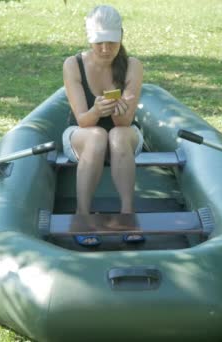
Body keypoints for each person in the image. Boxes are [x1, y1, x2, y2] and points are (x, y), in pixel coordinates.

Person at [62, 5, 144, 247]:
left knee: (118, 134)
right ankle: (82, 215)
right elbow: (82, 120)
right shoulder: (73, 64)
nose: (106, 48)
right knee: (97, 135)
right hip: (83, 134)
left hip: (124, 135)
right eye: (99, 42)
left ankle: (128, 215)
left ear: (121, 36)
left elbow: (126, 122)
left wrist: (118, 113)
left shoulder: (133, 65)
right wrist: (97, 111)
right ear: (89, 39)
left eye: (111, 41)